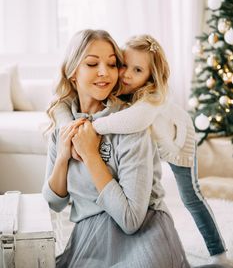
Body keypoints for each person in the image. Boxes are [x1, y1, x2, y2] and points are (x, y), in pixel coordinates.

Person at [53, 33, 232, 268]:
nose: (126, 74)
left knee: (191, 198)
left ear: (150, 76)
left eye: (138, 70)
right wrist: (68, 128)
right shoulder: (118, 90)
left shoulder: (150, 98)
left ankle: (218, 254)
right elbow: (60, 103)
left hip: (180, 144)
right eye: (124, 65)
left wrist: (89, 129)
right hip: (156, 141)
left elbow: (133, 123)